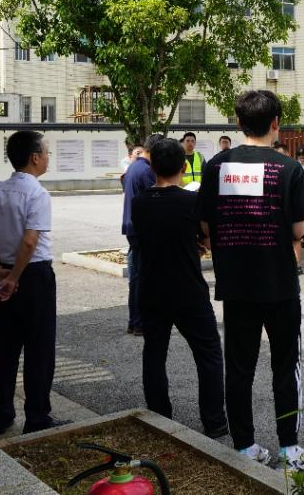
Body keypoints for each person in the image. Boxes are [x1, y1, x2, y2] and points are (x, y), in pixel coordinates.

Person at [197, 90, 304, 471]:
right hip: (280, 284)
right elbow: (299, 230)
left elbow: (205, 225)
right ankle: (289, 449)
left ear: (238, 122)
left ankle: (245, 447)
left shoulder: (217, 166)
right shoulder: (289, 169)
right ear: (276, 123)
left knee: (239, 367)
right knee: (286, 365)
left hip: (236, 284)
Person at [132, 137, 227, 438]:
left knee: (154, 353)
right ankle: (214, 421)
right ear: (184, 167)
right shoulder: (191, 201)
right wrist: (195, 241)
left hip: (151, 287)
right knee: (208, 353)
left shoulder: (139, 202)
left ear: (152, 166)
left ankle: (159, 416)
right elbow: (207, 239)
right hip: (187, 289)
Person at [0, 130, 60, 435]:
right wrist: (15, 278)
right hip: (33, 276)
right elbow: (29, 241)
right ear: (35, 158)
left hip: (1, 276)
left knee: (5, 346)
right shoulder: (37, 194)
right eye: (47, 153)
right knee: (39, 348)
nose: (48, 158)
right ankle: (37, 417)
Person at [122, 134, 160, 336]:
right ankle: (139, 323)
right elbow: (156, 199)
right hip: (142, 230)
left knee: (136, 278)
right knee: (141, 278)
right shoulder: (146, 171)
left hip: (132, 227)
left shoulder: (134, 166)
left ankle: (134, 321)